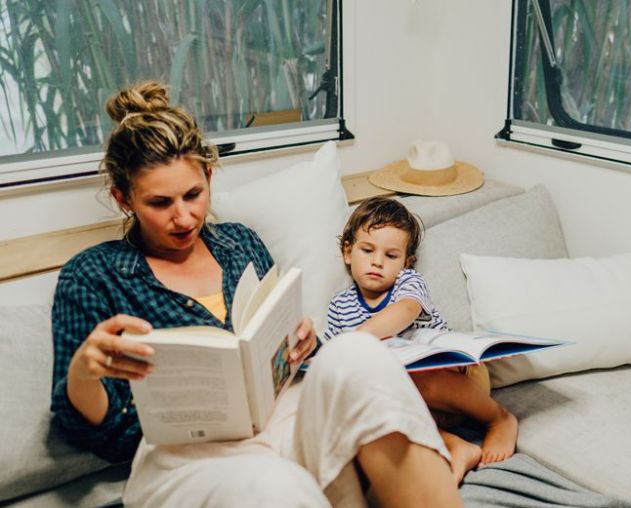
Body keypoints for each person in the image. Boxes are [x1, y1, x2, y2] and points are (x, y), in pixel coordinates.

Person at [50, 81, 461, 507]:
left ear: (209, 176)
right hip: (184, 458)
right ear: (124, 199)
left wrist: (302, 341)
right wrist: (85, 370)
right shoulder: (92, 275)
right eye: (159, 202)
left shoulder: (239, 245)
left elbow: (290, 347)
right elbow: (95, 432)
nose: (183, 216)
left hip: (280, 418)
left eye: (193, 194)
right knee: (272, 486)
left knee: (358, 353)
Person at [323, 197, 518, 483]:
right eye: (367, 250)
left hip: (458, 378)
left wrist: (356, 340)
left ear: (406, 262)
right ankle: (456, 445)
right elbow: (332, 357)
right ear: (348, 252)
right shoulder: (340, 306)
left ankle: (499, 419)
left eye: (391, 256)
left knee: (419, 379)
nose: (377, 261)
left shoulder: (408, 283)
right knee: (370, 409)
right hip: (416, 406)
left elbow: (405, 311)